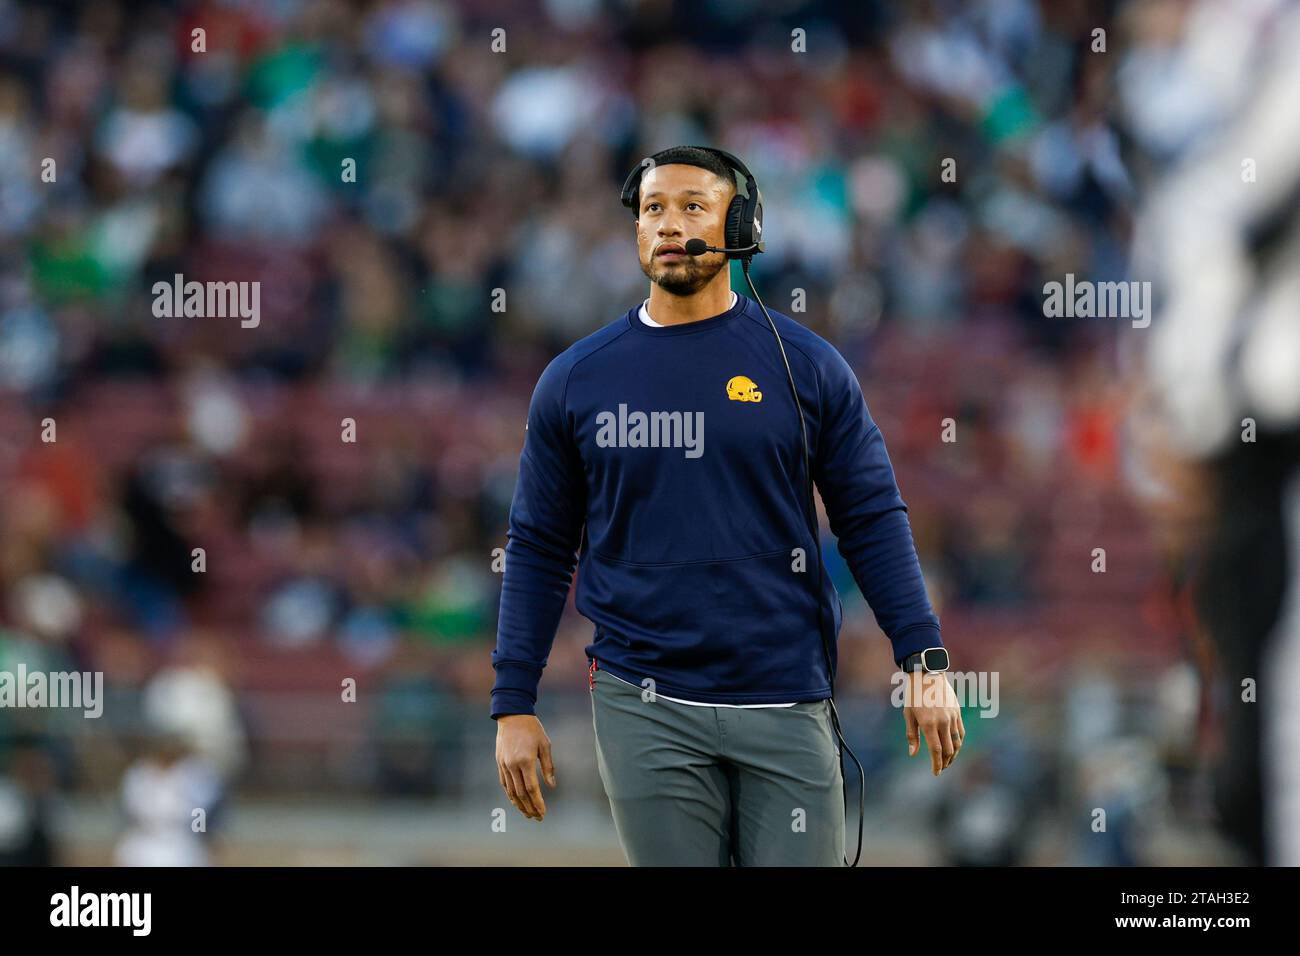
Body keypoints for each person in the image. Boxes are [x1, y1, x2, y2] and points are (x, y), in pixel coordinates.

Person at [490, 146, 963, 866]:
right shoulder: (574, 380)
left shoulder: (806, 366)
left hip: (785, 695)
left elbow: (871, 517)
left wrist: (922, 658)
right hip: (643, 700)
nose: (669, 225)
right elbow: (538, 546)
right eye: (653, 209)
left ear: (740, 224)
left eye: (692, 207)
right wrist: (513, 702)